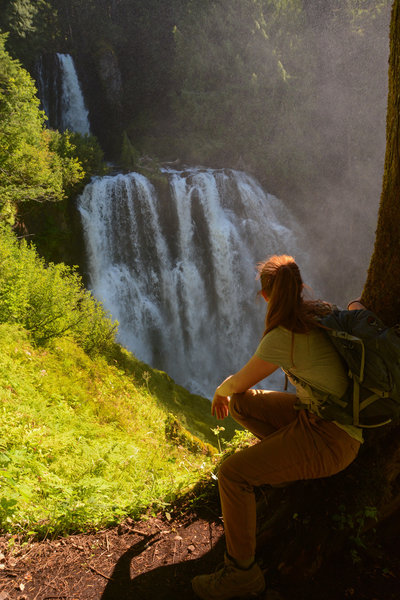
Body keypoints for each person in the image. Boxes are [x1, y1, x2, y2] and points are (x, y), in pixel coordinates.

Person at [191, 255, 363, 600]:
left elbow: (237, 382)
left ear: (265, 296)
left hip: (332, 439)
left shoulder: (282, 337)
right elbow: (240, 393)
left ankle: (242, 574)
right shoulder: (319, 311)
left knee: (232, 474)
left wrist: (219, 389)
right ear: (300, 288)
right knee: (243, 403)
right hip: (315, 417)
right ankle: (281, 469)